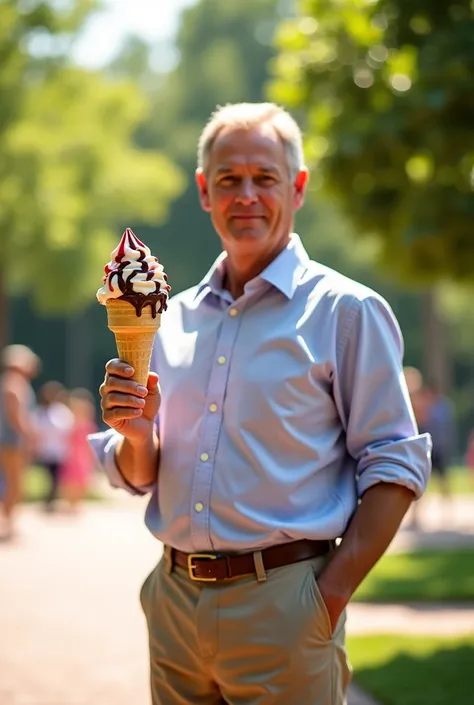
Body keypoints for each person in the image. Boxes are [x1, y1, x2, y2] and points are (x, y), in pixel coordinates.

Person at [90, 102, 432, 704]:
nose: (245, 194)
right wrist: (138, 437)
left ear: (297, 188)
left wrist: (325, 601)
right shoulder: (170, 319)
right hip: (172, 606)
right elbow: (144, 475)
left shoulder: (347, 312)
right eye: (228, 180)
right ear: (204, 191)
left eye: (264, 178)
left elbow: (395, 464)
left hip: (287, 605)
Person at [0, 344, 40, 540]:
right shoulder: (15, 383)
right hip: (11, 442)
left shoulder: (9, 381)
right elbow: (16, 415)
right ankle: (7, 523)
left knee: (10, 482)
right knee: (14, 483)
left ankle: (7, 521)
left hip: (9, 441)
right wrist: (28, 436)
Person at [34, 380, 75, 512]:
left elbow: (68, 428)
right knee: (49, 477)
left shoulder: (61, 411)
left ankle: (51, 500)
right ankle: (49, 500)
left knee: (55, 477)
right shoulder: (41, 411)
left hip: (59, 450)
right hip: (46, 450)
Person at [60, 388, 97, 513]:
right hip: (73, 455)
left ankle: (76, 503)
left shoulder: (88, 425)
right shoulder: (72, 424)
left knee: (81, 480)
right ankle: (71, 503)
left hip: (82, 455)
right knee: (71, 480)